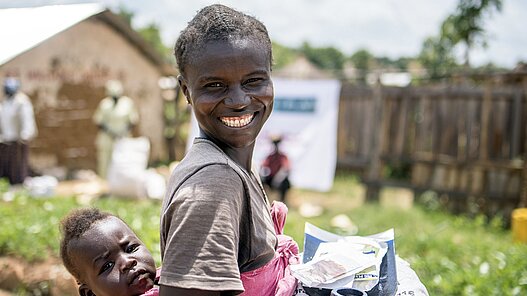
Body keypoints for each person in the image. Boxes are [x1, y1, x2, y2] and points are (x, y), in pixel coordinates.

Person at [160, 4, 298, 295]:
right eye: (215, 85)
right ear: (186, 90)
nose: (237, 100)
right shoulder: (216, 183)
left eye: (253, 81)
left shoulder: (235, 166)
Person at [59, 207, 159, 296]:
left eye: (131, 249)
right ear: (90, 293)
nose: (127, 262)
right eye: (108, 265)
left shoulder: (170, 277)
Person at [93, 80, 139, 179]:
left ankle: (122, 183)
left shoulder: (127, 103)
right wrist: (111, 132)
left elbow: (133, 120)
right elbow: (99, 121)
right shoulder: (105, 104)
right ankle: (105, 184)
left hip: (123, 137)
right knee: (105, 162)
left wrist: (123, 131)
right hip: (107, 138)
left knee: (123, 162)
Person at [0, 77, 37, 184]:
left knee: (18, 165)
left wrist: (25, 135)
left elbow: (27, 119)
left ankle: (19, 183)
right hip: (7, 140)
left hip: (19, 140)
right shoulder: (6, 102)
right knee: (8, 164)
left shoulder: (21, 101)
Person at [260, 135, 291, 203]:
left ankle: (283, 201)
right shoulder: (270, 156)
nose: (276, 146)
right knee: (261, 181)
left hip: (280, 179)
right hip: (271, 178)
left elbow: (286, 169)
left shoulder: (283, 156)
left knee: (286, 183)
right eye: (274, 144)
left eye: (277, 144)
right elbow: (263, 166)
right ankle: (263, 201)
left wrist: (278, 179)